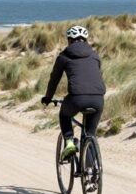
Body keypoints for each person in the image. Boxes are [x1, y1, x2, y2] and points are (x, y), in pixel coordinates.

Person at [40, 26, 106, 161]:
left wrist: (48, 97)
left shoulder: (64, 56)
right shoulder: (95, 55)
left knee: (64, 115)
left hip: (77, 98)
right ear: (86, 40)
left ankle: (69, 142)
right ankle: (90, 173)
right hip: (98, 99)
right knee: (90, 133)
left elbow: (54, 79)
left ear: (69, 40)